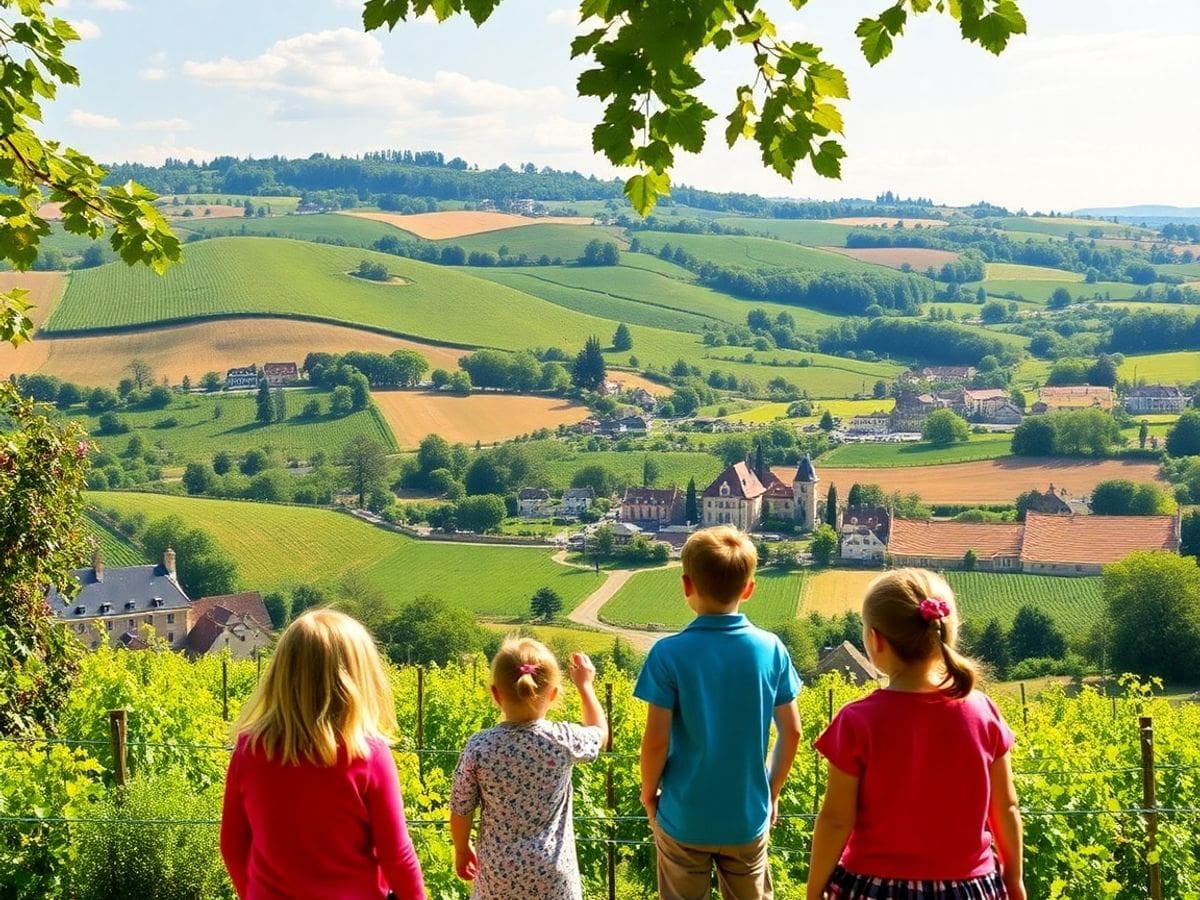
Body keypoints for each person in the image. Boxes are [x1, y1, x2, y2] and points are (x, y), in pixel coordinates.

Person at [807, 568, 1025, 900]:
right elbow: (1006, 808)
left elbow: (836, 820)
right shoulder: (983, 712)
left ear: (875, 641)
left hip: (875, 888)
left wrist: (813, 889)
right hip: (969, 888)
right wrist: (1013, 880)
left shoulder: (857, 721)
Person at [635, 526, 803, 900]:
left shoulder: (668, 654)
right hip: (746, 816)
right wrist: (770, 793)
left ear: (686, 585)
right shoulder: (771, 649)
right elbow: (792, 733)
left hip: (684, 816)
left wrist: (649, 794)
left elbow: (657, 740)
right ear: (748, 588)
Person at [220, 609, 426, 900]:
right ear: (357, 679)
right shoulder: (369, 755)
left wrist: (253, 893)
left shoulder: (250, 749)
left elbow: (232, 844)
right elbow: (397, 855)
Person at [450, 638, 607, 900]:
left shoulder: (480, 746)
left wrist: (462, 849)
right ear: (554, 694)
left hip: (496, 876)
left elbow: (461, 807)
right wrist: (585, 686)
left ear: (496, 694)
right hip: (553, 876)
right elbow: (600, 735)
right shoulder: (563, 740)